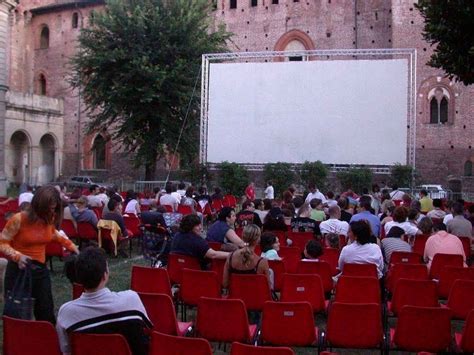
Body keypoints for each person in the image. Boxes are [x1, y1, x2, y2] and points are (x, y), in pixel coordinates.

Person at [0, 185, 79, 323]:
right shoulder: (18, 219)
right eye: (48, 208)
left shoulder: (49, 219)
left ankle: (45, 340)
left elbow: (53, 234)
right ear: (38, 205)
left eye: (53, 209)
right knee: (18, 315)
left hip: (40, 271)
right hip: (19, 271)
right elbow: (2, 243)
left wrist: (71, 246)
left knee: (46, 312)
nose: (51, 212)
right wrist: (18, 256)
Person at [56, 247, 152, 355]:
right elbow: (148, 333)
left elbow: (66, 350)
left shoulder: (66, 314)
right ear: (105, 274)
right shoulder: (131, 300)